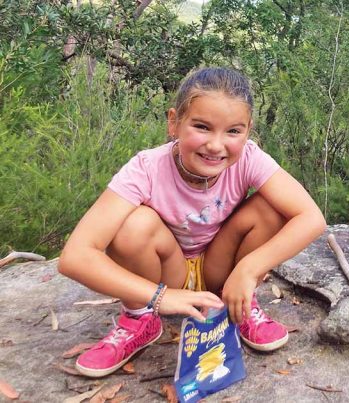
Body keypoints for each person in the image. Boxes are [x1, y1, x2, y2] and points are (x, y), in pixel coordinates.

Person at [58, 67, 326, 378]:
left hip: (219, 267)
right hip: (166, 273)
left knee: (272, 208)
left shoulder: (249, 159)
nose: (216, 145)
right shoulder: (145, 169)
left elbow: (312, 218)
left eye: (233, 131)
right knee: (134, 224)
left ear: (248, 131)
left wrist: (248, 271)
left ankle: (240, 301)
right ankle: (140, 317)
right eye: (202, 126)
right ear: (174, 122)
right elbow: (75, 257)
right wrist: (161, 296)